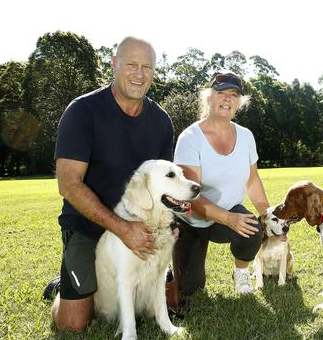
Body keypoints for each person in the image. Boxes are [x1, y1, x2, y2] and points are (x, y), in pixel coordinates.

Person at [43, 37, 174, 332]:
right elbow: (68, 184)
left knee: (171, 300)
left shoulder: (161, 121)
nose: (139, 74)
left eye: (147, 67)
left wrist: (164, 227)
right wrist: (122, 228)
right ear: (114, 64)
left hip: (140, 225)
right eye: (131, 64)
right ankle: (64, 285)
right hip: (89, 225)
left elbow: (165, 189)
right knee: (74, 324)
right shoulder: (82, 111)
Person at [170, 71, 269, 301]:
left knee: (252, 228)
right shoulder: (190, 138)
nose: (227, 99)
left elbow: (252, 180)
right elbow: (190, 196)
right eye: (221, 93)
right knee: (191, 290)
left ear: (239, 103)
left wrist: (267, 214)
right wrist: (228, 219)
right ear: (209, 98)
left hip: (226, 214)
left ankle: (241, 272)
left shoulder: (246, 136)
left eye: (234, 95)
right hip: (191, 219)